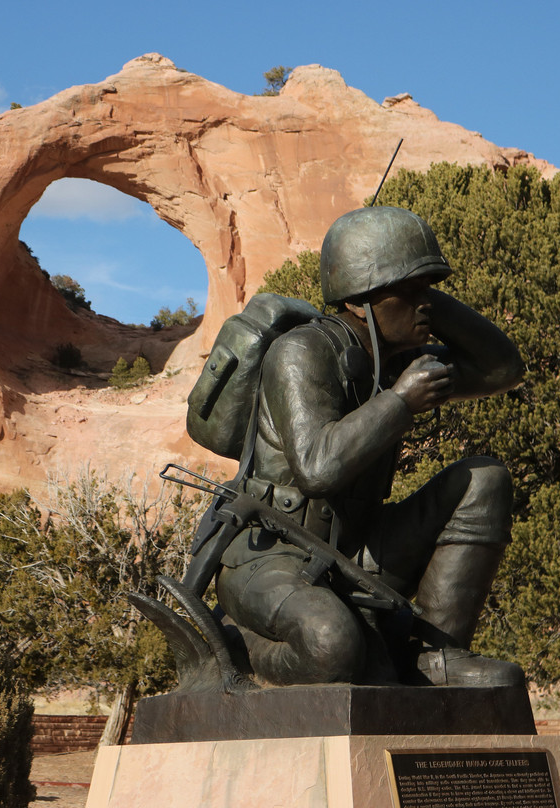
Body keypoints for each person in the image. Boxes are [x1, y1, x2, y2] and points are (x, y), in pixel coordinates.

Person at [215, 206, 526, 687]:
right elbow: (317, 467)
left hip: (357, 551)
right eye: (410, 291)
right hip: (271, 555)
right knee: (331, 646)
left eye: (430, 288)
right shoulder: (301, 351)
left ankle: (437, 658)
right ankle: (243, 649)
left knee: (484, 480)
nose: (426, 303)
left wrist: (420, 291)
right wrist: (400, 401)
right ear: (359, 302)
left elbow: (502, 369)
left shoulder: (396, 361)